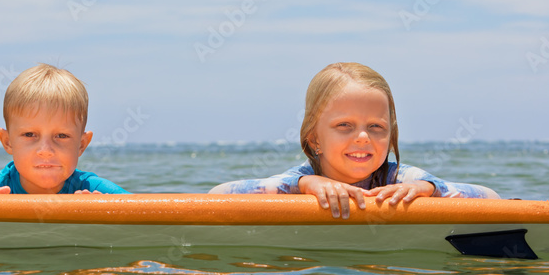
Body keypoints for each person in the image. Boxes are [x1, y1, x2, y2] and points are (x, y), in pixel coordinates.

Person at [209, 62, 498, 218]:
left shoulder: (399, 178)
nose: (363, 137)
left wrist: (430, 189)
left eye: (376, 127)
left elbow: (492, 197)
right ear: (314, 138)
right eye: (344, 125)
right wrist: (303, 185)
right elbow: (217, 196)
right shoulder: (305, 178)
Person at [0, 63, 127, 199]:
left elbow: (150, 213)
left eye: (62, 136)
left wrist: (109, 209)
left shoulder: (92, 190)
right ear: (7, 141)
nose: (45, 150)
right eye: (30, 135)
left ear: (82, 144)